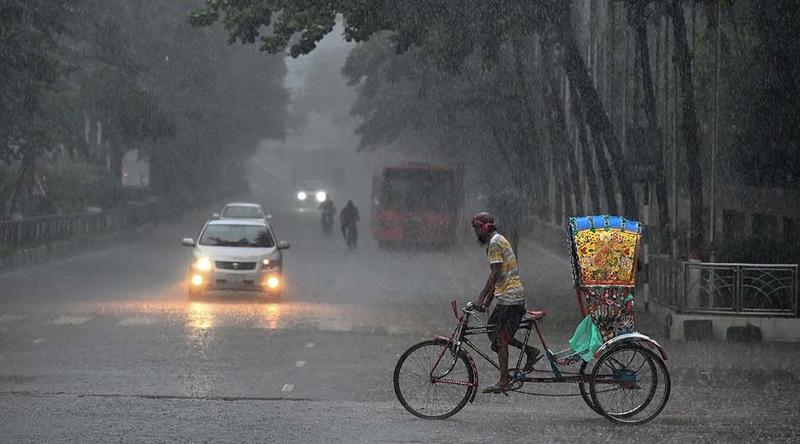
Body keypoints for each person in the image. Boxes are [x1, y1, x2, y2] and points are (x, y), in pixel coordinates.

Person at [471, 212, 540, 394]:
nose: (476, 234)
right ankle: (530, 351)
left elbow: (494, 274)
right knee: (492, 329)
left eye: (477, 229)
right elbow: (500, 275)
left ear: (485, 228)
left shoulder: (494, 243)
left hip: (511, 298)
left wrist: (480, 298)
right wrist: (487, 301)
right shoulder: (497, 240)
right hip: (508, 295)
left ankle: (503, 381)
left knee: (501, 339)